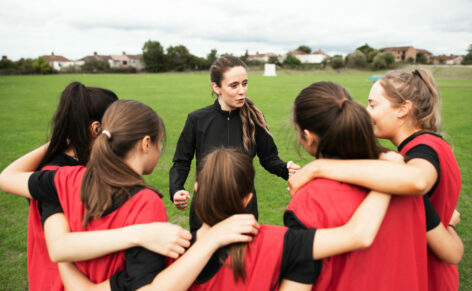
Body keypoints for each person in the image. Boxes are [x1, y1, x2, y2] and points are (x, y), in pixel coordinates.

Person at [0, 100, 256, 291]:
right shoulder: (146, 203)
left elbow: (6, 178)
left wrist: (62, 139)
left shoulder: (65, 177)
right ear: (146, 143)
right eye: (159, 143)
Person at [60, 147, 395, 291]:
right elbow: (359, 234)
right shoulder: (285, 243)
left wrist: (57, 250)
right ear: (249, 197)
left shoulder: (168, 246)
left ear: (196, 187)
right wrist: (389, 175)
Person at [289, 71, 462, 290]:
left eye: (372, 105)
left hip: (428, 275)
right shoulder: (405, 160)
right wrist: (446, 224)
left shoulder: (419, 155)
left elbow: (417, 181)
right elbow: (453, 251)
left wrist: (318, 167)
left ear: (403, 108)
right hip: (419, 270)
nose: (366, 114)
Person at [169, 55, 299, 231]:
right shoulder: (197, 120)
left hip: (244, 211)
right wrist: (176, 189)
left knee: (241, 259)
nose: (242, 91)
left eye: (244, 83)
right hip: (205, 212)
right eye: (234, 85)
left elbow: (269, 159)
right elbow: (181, 162)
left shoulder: (255, 119)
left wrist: (287, 170)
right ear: (216, 87)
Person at [28, 81, 118, 291]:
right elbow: (59, 245)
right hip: (59, 284)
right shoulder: (56, 176)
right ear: (96, 129)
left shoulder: (83, 165)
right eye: (118, 125)